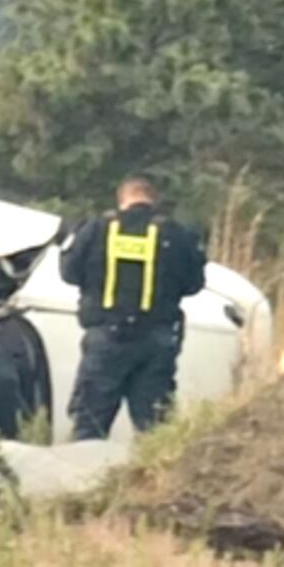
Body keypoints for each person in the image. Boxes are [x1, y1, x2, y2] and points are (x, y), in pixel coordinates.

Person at [60, 176, 206, 441]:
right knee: (156, 431)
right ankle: (156, 481)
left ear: (121, 199)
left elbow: (68, 273)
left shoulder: (95, 229)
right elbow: (194, 284)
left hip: (105, 339)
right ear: (154, 200)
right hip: (156, 343)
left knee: (89, 424)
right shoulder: (175, 233)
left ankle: (82, 478)